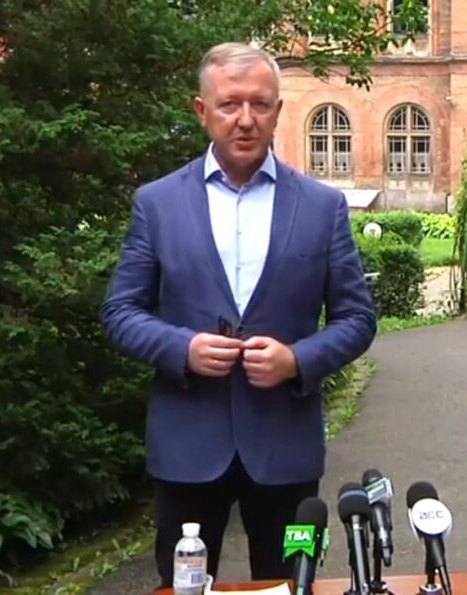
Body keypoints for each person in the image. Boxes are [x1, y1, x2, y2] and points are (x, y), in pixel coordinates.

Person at [100, 42, 377, 588]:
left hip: (285, 450)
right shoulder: (158, 203)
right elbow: (120, 310)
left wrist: (297, 360)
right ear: (202, 110)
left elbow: (357, 318)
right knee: (183, 586)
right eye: (229, 104)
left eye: (259, 104)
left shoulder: (321, 207)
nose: (245, 119)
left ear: (278, 110)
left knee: (290, 584)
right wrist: (182, 349)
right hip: (187, 447)